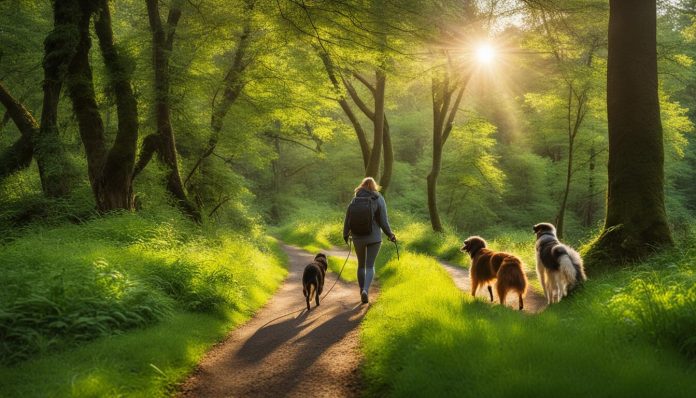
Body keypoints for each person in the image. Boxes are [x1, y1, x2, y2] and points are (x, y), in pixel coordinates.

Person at [343, 177, 396, 304]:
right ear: (374, 186)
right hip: (374, 237)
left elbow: (348, 217)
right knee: (370, 265)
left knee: (361, 265)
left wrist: (345, 234)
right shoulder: (378, 198)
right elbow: (383, 221)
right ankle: (366, 290)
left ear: (362, 186)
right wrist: (390, 234)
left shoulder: (355, 199)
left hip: (357, 237)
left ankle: (361, 290)